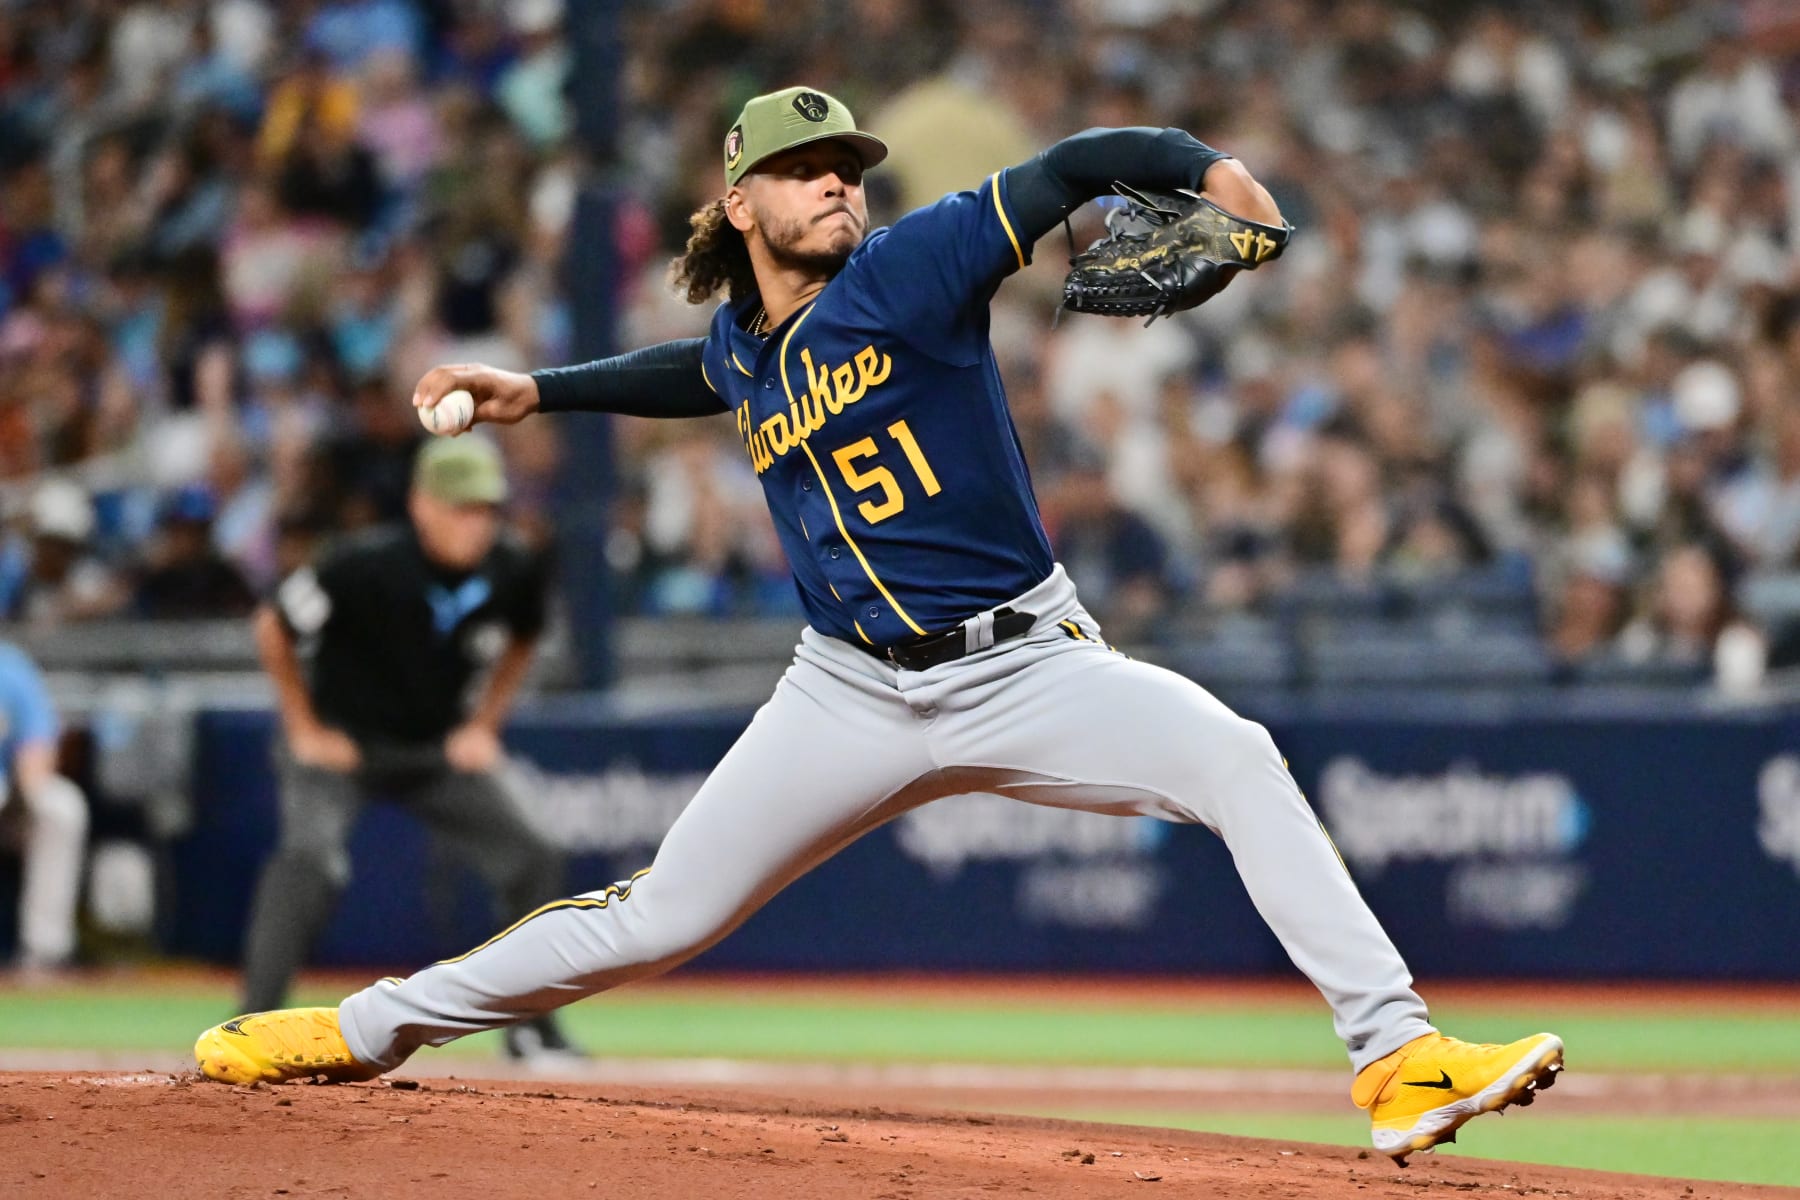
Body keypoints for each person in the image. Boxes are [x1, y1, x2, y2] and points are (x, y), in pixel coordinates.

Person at [196, 86, 1563, 1162]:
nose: (837, 176)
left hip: (1024, 660)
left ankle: (1395, 1056)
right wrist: (538, 393)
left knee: (1234, 757)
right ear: (741, 202)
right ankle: (361, 1030)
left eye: (846, 159)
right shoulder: (745, 345)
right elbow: (699, 371)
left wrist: (1206, 172)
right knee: (655, 916)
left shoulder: (914, 266)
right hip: (842, 691)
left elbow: (1078, 163)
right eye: (805, 166)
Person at [230, 435, 578, 1063]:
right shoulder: (361, 564)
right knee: (310, 861)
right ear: (421, 505)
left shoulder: (511, 566)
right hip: (342, 747)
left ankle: (533, 1028)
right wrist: (304, 728)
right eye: (461, 508)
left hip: (431, 751)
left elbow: (525, 637)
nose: (477, 524)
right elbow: (272, 625)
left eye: (486, 510)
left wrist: (484, 725)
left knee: (533, 852)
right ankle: (251, 1020)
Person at [0, 640, 88, 973]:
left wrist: (26, 792)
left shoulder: (8, 666)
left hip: (9, 798)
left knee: (61, 806)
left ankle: (45, 951)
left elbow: (38, 744)